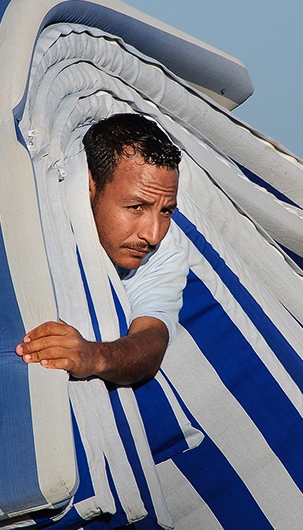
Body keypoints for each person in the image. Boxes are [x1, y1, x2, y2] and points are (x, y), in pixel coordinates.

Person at [16, 113, 186, 387]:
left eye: (165, 211)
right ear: (89, 186)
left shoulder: (165, 250)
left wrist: (94, 356)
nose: (153, 235)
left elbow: (152, 341)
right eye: (136, 207)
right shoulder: (38, 207)